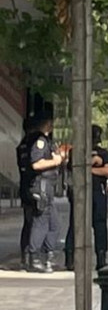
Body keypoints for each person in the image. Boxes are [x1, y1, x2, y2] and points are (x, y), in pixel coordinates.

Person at [16, 113, 69, 273]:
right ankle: (35, 258)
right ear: (46, 123)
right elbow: (36, 163)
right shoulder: (40, 141)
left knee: (53, 224)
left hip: (34, 185)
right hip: (42, 185)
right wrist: (56, 160)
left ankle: (44, 257)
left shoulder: (25, 141)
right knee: (41, 222)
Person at [66, 126, 108, 272]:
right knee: (76, 224)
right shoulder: (75, 151)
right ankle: (70, 258)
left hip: (97, 191)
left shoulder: (103, 153)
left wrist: (88, 168)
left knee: (100, 225)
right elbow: (74, 167)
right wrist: (92, 163)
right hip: (80, 191)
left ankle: (101, 257)